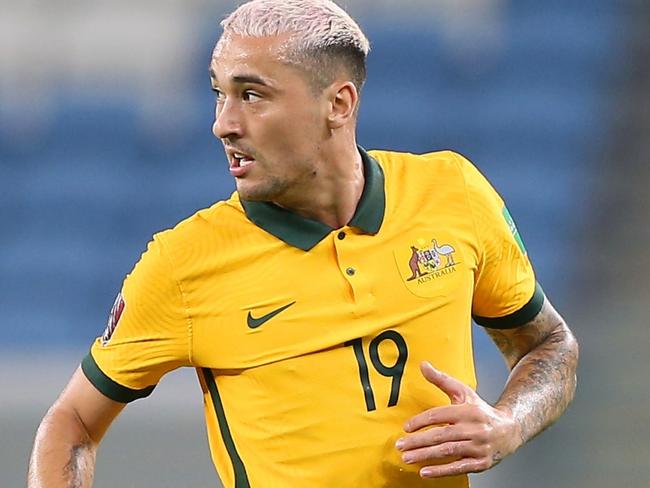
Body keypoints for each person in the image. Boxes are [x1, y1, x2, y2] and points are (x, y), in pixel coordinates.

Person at [27, 1, 579, 487]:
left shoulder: (452, 192)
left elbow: (549, 345)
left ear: (338, 104)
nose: (223, 123)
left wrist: (508, 424)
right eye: (219, 94)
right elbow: (71, 422)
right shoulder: (182, 264)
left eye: (251, 94)